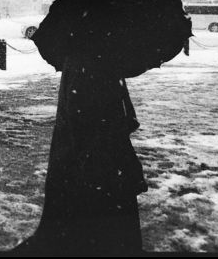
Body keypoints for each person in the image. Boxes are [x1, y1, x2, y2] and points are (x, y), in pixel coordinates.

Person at [14, 58, 148, 255]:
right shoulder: (94, 62)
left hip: (89, 148)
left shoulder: (83, 57)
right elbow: (85, 113)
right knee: (100, 209)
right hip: (95, 151)